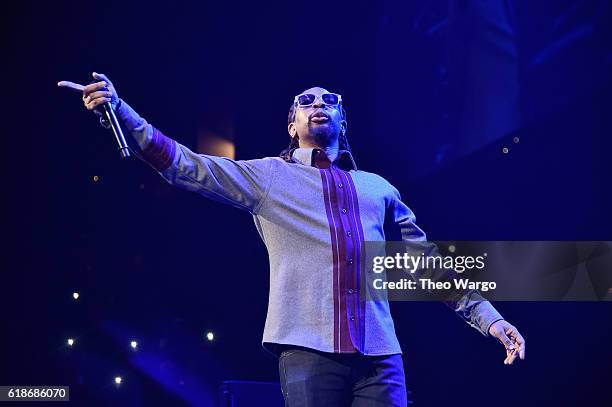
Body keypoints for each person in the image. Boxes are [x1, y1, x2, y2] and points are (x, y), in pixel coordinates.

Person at [58, 73, 526, 407]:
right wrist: (121, 113)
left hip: (381, 356)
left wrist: (490, 320)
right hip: (306, 349)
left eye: (330, 99)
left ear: (343, 121)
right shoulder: (270, 178)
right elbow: (186, 166)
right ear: (291, 124)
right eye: (306, 100)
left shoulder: (379, 188)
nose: (318, 102)